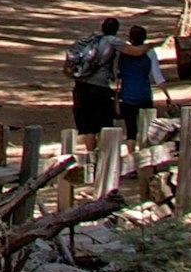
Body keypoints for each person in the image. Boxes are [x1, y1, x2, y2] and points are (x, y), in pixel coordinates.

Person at [63, 15, 123, 190]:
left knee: (88, 126)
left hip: (81, 86)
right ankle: (103, 162)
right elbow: (133, 52)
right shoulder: (113, 42)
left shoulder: (89, 40)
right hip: (100, 88)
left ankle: (91, 160)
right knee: (103, 124)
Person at [114, 24, 163, 174]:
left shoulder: (123, 54)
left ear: (130, 38)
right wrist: (167, 95)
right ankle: (146, 160)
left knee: (130, 129)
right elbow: (157, 75)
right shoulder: (150, 53)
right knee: (147, 128)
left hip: (127, 95)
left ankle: (131, 162)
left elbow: (117, 74)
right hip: (144, 94)